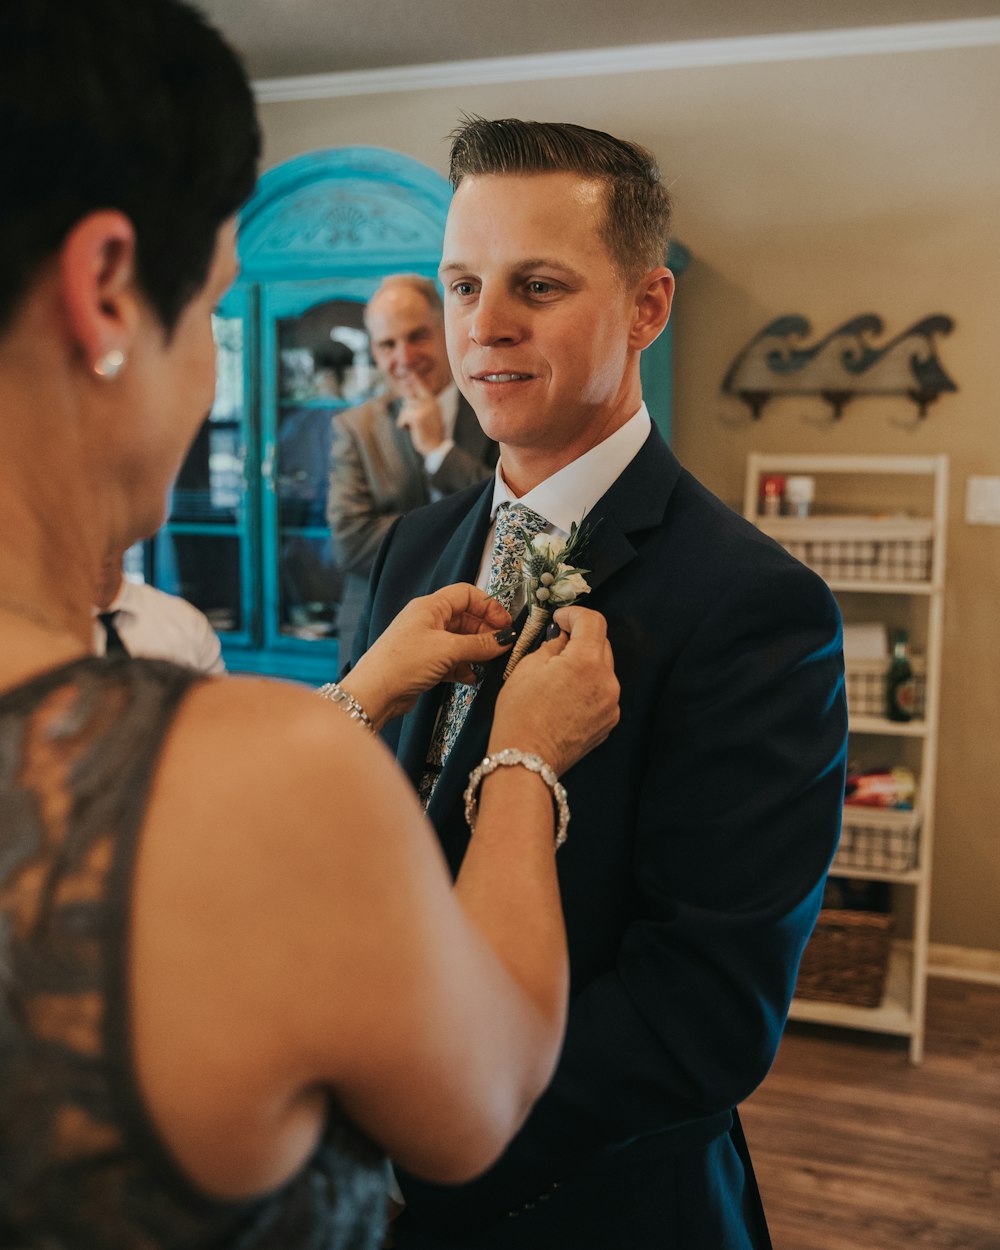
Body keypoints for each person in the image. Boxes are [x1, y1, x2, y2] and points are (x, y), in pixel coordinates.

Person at [0, 11, 620, 1250]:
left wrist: (356, 692)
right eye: (217, 310)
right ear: (107, 290)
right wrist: (522, 761)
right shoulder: (264, 777)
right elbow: (477, 1101)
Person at [351, 118, 849, 1249]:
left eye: (538, 283)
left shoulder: (754, 606)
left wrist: (409, 1126)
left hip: (588, 1208)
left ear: (647, 308)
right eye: (463, 282)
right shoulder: (409, 551)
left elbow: (704, 1015)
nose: (483, 325)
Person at [328, 274, 498, 649]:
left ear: (444, 328)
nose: (403, 358)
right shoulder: (356, 429)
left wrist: (440, 451)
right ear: (373, 351)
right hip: (375, 631)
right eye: (388, 344)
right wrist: (463, 528)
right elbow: (350, 544)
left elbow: (512, 513)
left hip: (478, 626)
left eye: (417, 336)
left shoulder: (496, 408)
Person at [93, 552, 226, 673]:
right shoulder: (72, 630)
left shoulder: (185, 621)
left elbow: (220, 696)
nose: (98, 548)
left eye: (106, 536)